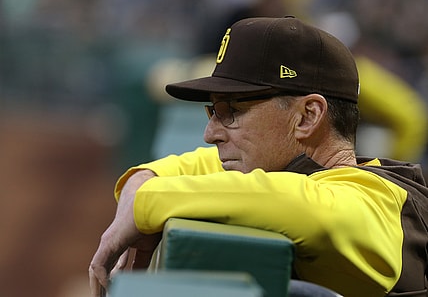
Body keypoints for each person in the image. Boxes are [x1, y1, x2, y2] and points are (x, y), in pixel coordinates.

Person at [89, 16, 428, 297]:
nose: (211, 133)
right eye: (213, 112)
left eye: (233, 110)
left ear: (308, 116)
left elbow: (307, 207)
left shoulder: (377, 203)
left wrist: (146, 205)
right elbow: (186, 166)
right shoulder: (289, 169)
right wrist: (141, 183)